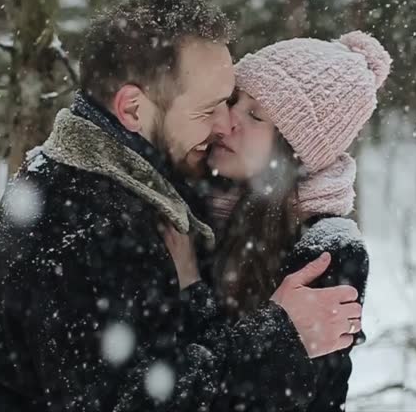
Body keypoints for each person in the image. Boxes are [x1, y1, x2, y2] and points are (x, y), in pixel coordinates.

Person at [0, 0, 363, 412]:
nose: (223, 125)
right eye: (209, 109)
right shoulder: (82, 220)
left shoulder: (132, 191)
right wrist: (280, 337)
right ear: (132, 109)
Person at [165, 31, 391, 411]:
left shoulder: (327, 248)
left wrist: (191, 286)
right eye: (233, 101)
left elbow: (286, 399)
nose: (225, 123)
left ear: (295, 151)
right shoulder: (182, 200)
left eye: (255, 115)